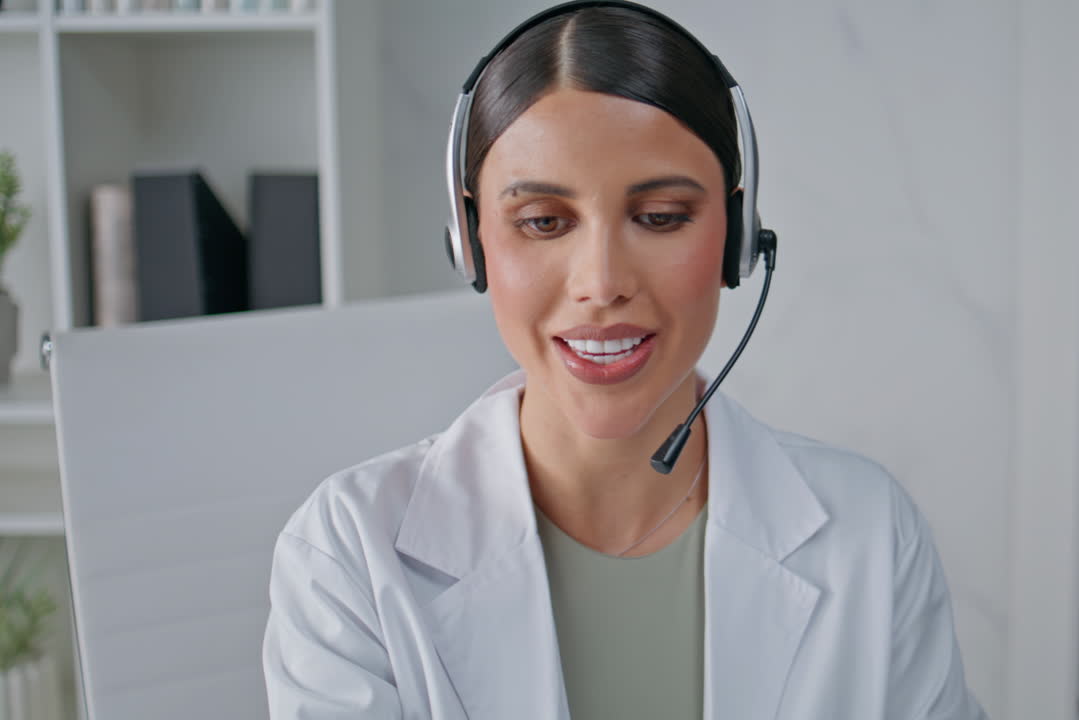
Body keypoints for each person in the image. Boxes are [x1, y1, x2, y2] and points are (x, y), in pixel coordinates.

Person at [262, 2, 989, 718]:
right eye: (543, 222)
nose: (602, 282)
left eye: (661, 217)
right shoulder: (347, 553)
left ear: (739, 241)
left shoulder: (869, 532)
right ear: (470, 242)